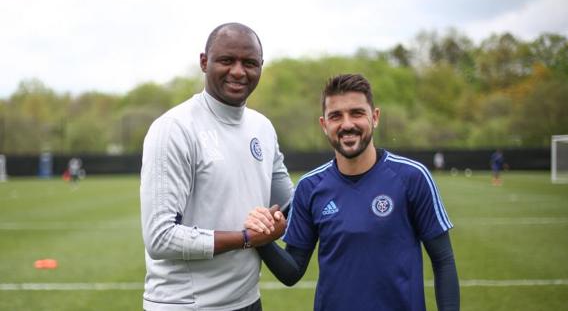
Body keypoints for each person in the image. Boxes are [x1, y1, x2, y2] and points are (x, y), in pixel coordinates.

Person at [245, 74, 460, 311]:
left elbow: (443, 261)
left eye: (357, 113)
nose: (347, 124)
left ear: (375, 117)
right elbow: (292, 272)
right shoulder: (310, 186)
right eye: (336, 116)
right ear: (324, 124)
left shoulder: (412, 176)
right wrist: (262, 239)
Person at [140, 23, 293, 311]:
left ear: (261, 67)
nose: (238, 71)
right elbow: (160, 238)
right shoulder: (174, 128)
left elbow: (290, 204)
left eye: (249, 63)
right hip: (186, 305)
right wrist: (247, 238)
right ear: (203, 62)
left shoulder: (262, 127)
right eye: (227, 60)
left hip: (248, 301)